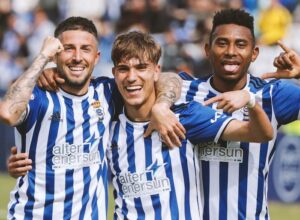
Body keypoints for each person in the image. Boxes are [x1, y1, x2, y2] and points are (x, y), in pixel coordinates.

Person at [7, 30, 274, 219]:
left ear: (156, 71)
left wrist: (250, 101)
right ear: (114, 74)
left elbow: (261, 134)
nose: (132, 77)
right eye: (124, 69)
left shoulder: (185, 117)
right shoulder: (108, 124)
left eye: (142, 68)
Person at [0, 17, 183, 219]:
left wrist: (161, 106)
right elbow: (7, 112)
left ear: (96, 57)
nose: (77, 57)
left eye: (85, 49)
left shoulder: (107, 92)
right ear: (55, 56)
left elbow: (167, 77)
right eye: (68, 48)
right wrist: (42, 58)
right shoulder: (39, 96)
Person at [177, 9, 300, 220]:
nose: (231, 51)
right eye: (222, 43)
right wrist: (161, 106)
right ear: (207, 49)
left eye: (241, 44)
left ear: (254, 53)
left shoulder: (273, 94)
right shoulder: (184, 92)